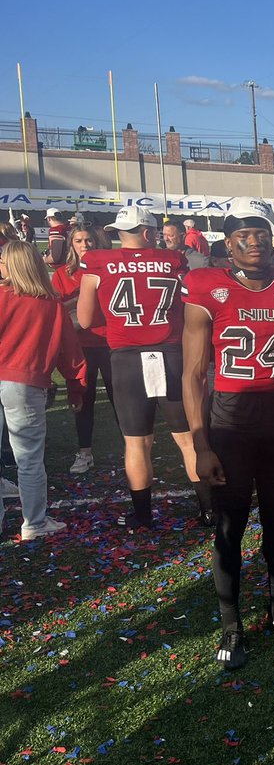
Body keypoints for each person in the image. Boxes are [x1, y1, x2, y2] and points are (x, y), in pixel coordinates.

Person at [182, 197, 274, 671]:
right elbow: (193, 374)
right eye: (243, 234)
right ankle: (230, 624)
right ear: (227, 242)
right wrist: (201, 444)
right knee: (230, 526)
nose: (254, 242)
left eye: (261, 233)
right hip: (230, 421)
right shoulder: (206, 285)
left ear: (272, 238)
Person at [76, 206, 208, 530]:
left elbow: (85, 319)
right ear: (149, 233)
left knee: (136, 442)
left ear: (120, 232)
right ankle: (209, 510)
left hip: (127, 359)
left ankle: (143, 516)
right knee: (188, 439)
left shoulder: (98, 262)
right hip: (171, 354)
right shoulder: (174, 260)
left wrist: (118, 330)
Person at [0, 240, 86, 540]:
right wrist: (77, 389)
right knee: (29, 460)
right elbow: (70, 354)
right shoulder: (50, 304)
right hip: (25, 385)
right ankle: (33, 522)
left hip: (14, 381)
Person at [52, 224, 115, 474]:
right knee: (83, 398)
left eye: (88, 240)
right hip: (81, 343)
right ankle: (85, 452)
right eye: (78, 241)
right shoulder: (62, 274)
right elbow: (57, 309)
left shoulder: (107, 268)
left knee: (119, 398)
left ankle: (136, 447)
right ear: (72, 245)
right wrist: (81, 298)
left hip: (110, 340)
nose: (84, 245)